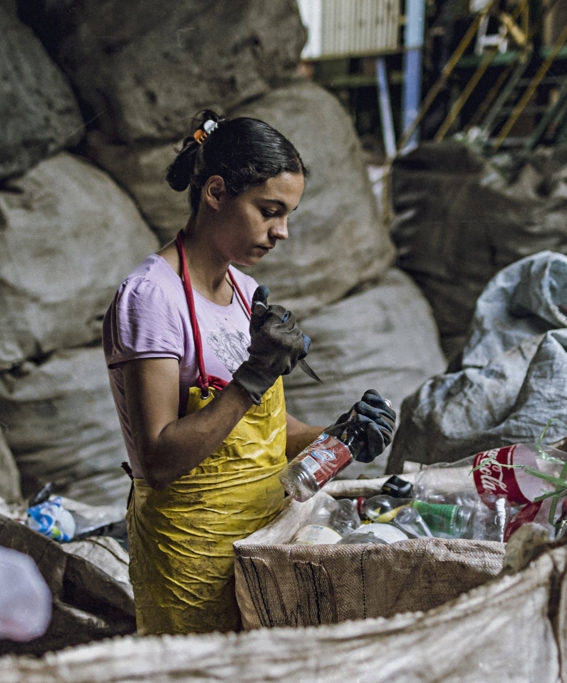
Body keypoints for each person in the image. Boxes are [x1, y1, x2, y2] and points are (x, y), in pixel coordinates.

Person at [102, 110, 396, 635]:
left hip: (261, 542)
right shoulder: (153, 297)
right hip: (191, 558)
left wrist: (341, 436)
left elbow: (256, 433)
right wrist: (250, 379)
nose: (281, 232)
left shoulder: (242, 293)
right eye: (268, 211)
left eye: (288, 214)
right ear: (216, 192)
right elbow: (159, 459)